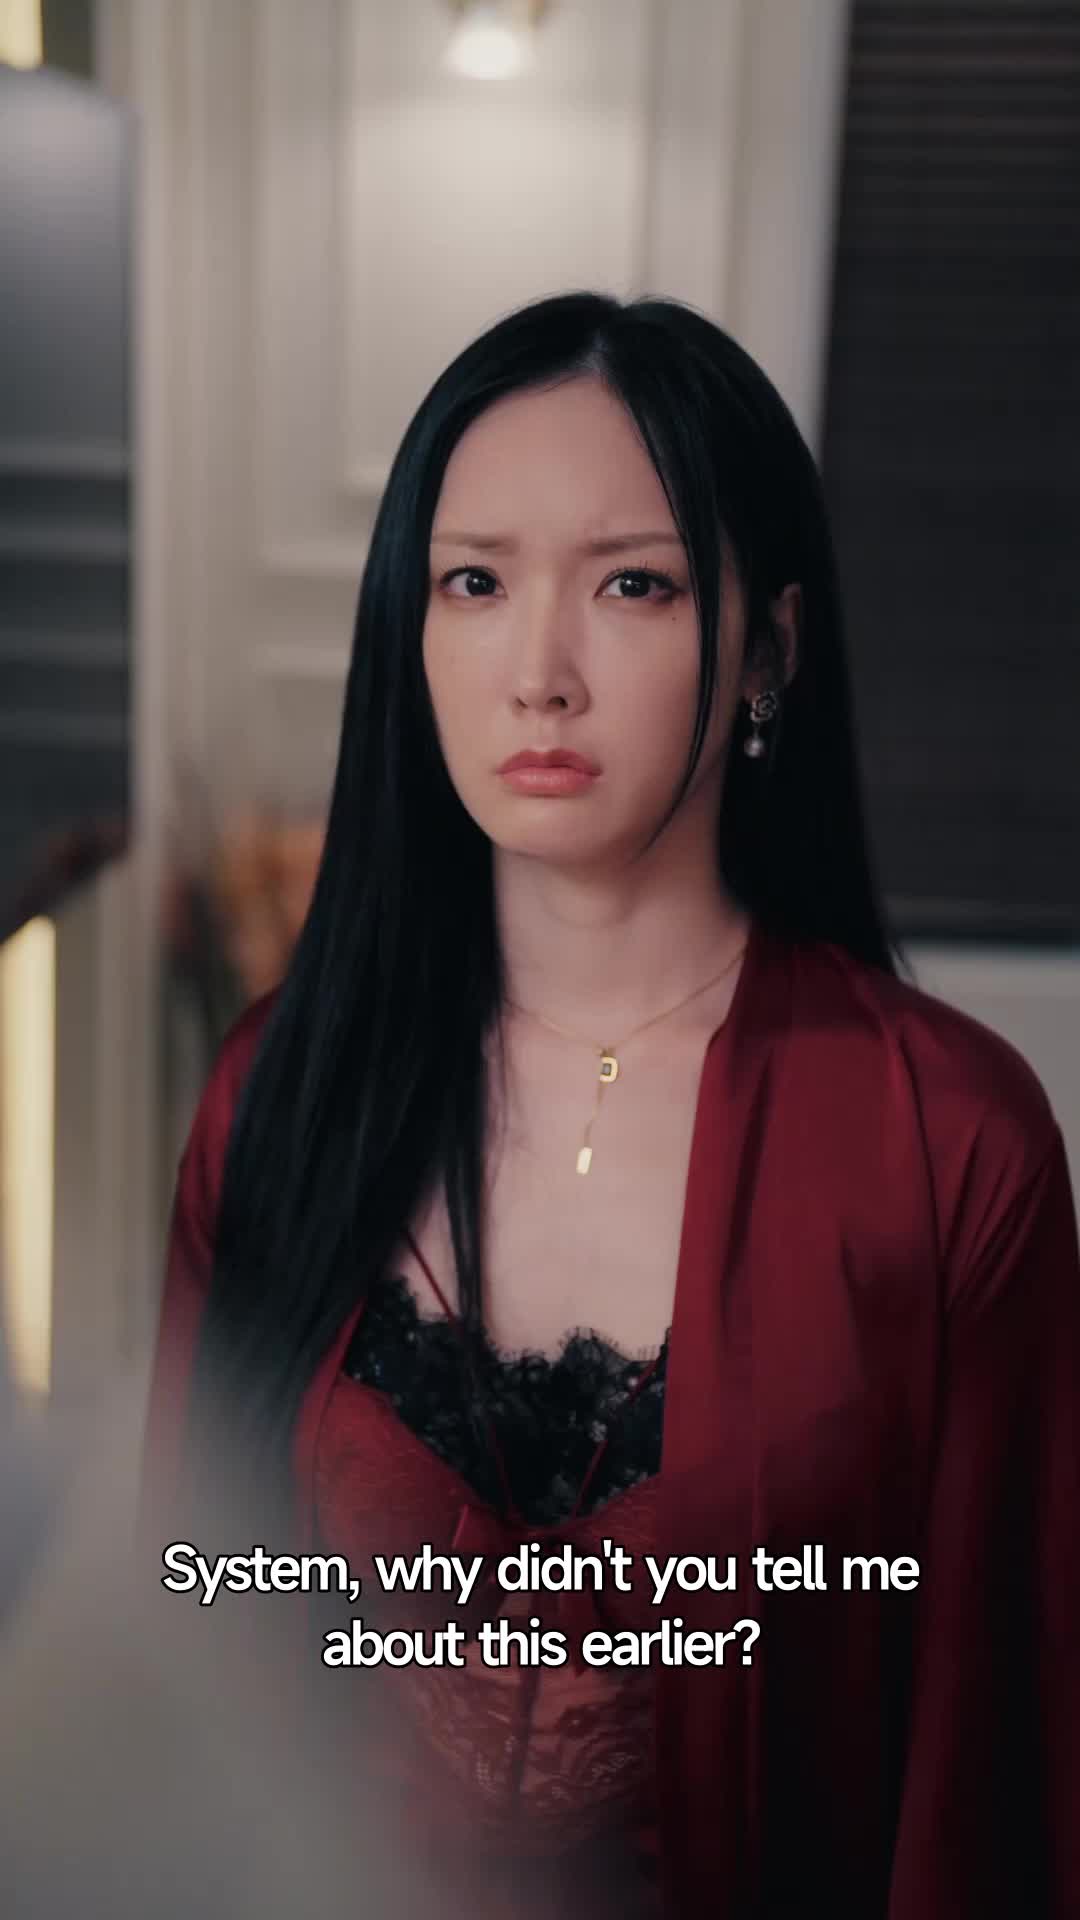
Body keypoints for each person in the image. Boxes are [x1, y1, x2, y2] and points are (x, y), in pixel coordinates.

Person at [142, 291, 1080, 1919]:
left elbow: (993, 1775)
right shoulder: (278, 1089)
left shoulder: (951, 1144)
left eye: (633, 584)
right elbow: (184, 1674)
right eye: (475, 583)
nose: (539, 674)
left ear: (768, 649)